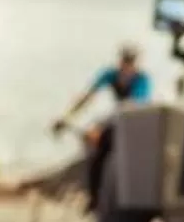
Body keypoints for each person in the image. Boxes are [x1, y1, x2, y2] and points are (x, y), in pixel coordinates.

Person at [50, 45, 155, 197]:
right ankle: (94, 196)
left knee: (106, 141)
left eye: (131, 63)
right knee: (95, 150)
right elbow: (87, 96)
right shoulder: (110, 74)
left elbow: (132, 106)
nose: (127, 67)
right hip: (118, 117)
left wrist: (100, 128)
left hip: (136, 120)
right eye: (125, 61)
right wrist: (67, 116)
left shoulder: (142, 80)